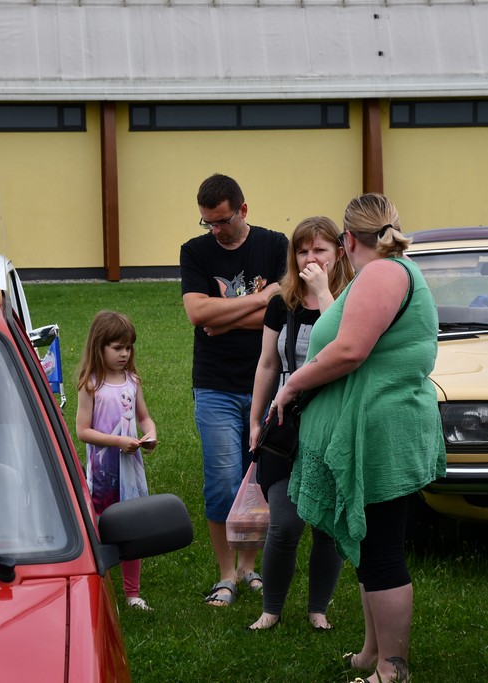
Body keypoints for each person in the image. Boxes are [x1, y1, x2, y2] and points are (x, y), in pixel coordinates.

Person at [272, 194, 446, 683]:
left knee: (383, 553)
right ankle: (373, 653)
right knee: (371, 551)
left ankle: (392, 668)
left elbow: (349, 350)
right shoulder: (385, 272)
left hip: (380, 431)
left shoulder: (383, 273)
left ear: (347, 239)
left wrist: (291, 384)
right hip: (375, 427)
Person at [180, 173, 289, 607]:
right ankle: (225, 575)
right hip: (216, 386)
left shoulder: (275, 244)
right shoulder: (195, 251)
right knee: (222, 482)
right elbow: (197, 313)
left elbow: (287, 308)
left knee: (257, 480)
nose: (215, 230)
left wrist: (223, 318)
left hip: (267, 383)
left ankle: (248, 567)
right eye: (207, 222)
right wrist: (262, 300)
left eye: (222, 221)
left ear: (243, 210)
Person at [246, 216, 354, 631]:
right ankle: (271, 609)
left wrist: (324, 293)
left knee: (326, 525)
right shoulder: (282, 303)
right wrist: (255, 419)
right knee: (285, 523)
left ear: (338, 253)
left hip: (331, 424)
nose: (310, 258)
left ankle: (317, 609)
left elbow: (345, 344)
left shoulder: (351, 298)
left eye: (319, 250)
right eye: (302, 250)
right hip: (285, 425)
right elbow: (267, 364)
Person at [75, 310, 158, 611]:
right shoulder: (91, 385)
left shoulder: (131, 381)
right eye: (117, 348)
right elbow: (82, 431)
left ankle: (132, 593)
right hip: (104, 474)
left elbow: (143, 417)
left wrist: (150, 433)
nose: (125, 354)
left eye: (129, 347)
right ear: (99, 347)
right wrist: (118, 442)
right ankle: (102, 588)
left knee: (132, 526)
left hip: (130, 471)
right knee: (104, 527)